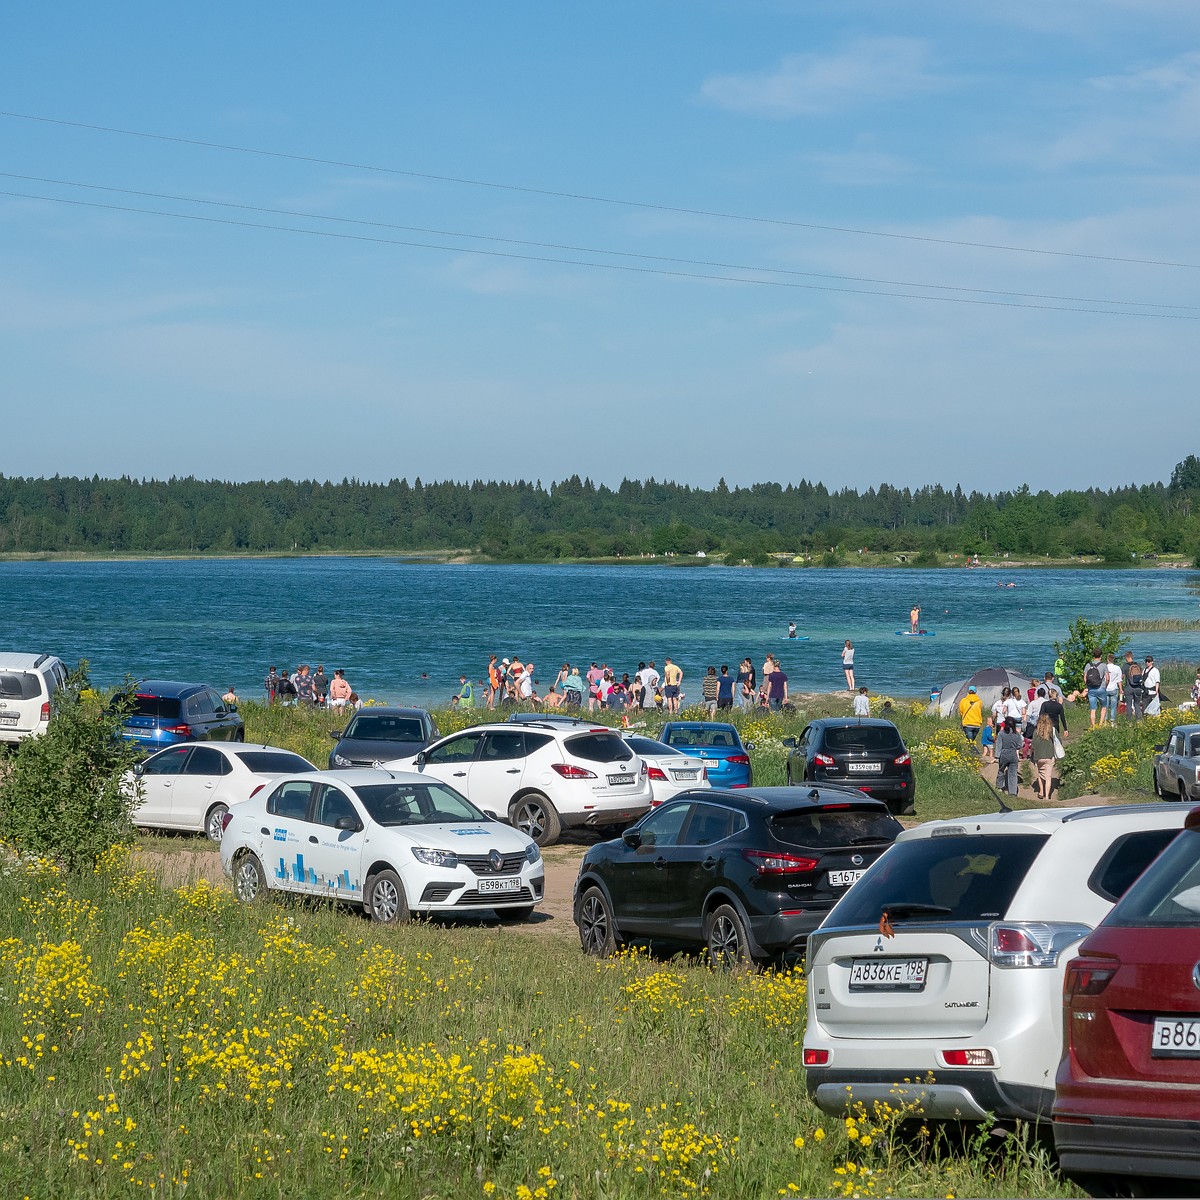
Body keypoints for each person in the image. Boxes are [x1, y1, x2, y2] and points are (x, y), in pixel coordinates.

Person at [1031, 711, 1057, 801]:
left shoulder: (1036, 732)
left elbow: (1033, 744)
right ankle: (1047, 796)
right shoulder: (1052, 730)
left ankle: (1041, 792)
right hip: (1049, 755)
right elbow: (1058, 741)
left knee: (1040, 774)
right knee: (1048, 777)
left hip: (1039, 756)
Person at [996, 717, 1023, 797]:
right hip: (1013, 754)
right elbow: (1019, 745)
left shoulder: (1001, 733)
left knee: (1001, 770)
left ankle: (1000, 787)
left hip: (1004, 753)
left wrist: (997, 756)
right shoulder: (1017, 734)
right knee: (1013, 773)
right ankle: (1013, 792)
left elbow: (998, 746)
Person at [1084, 651, 1106, 727]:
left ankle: (1093, 726)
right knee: (1103, 707)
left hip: (1091, 689)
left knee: (1093, 709)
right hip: (1101, 688)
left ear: (1093, 655)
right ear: (1101, 655)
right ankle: (1100, 724)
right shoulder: (1103, 665)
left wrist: (1088, 686)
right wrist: (1105, 685)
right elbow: (1108, 678)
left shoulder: (1088, 665)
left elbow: (1085, 678)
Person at [1123, 652, 1144, 721]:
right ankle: (1139, 721)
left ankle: (1129, 721)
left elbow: (1122, 677)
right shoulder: (1138, 665)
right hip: (1138, 687)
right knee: (1137, 704)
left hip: (1129, 687)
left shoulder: (1125, 666)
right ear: (1132, 657)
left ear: (1126, 657)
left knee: (1129, 705)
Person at [1102, 653, 1122, 725]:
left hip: (1106, 688)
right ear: (1113, 659)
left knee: (1105, 706)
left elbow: (1103, 678)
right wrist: (1121, 689)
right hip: (1114, 688)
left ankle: (1105, 721)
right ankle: (1112, 721)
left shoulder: (1104, 667)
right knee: (1113, 707)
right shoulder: (1117, 668)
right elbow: (1119, 680)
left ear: (1107, 659)